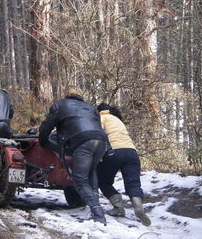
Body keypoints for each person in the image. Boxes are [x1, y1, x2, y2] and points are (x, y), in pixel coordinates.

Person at [39, 86, 109, 225]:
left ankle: (98, 213)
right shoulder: (90, 107)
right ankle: (96, 208)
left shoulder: (60, 104)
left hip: (82, 141)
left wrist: (43, 141)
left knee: (80, 180)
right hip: (101, 141)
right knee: (91, 172)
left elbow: (47, 126)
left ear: (66, 94)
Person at [96, 103, 151, 226]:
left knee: (103, 182)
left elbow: (98, 136)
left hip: (113, 152)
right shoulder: (117, 120)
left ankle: (118, 207)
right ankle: (138, 206)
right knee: (133, 183)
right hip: (132, 152)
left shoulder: (99, 118)